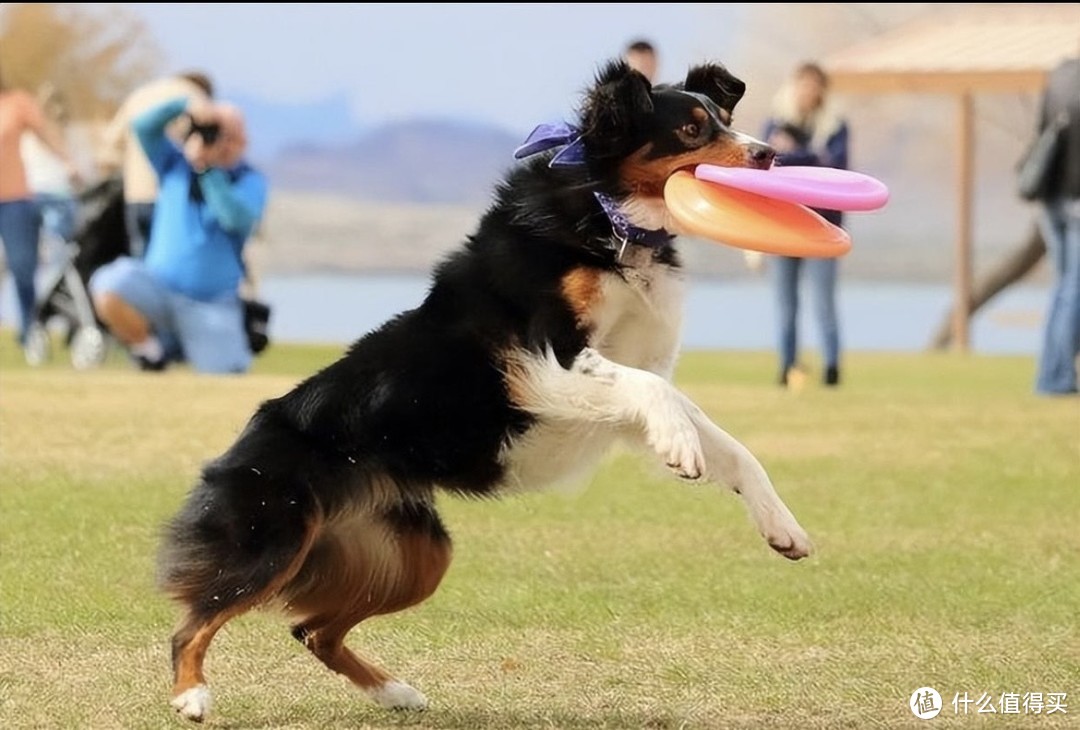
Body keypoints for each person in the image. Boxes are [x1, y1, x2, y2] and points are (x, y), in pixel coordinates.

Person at [89, 95, 268, 374]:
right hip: (157, 289)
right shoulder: (174, 165)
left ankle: (181, 345)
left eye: (230, 136)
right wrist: (185, 106)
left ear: (244, 141)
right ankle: (150, 351)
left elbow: (235, 218)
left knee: (229, 373)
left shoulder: (250, 180)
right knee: (108, 283)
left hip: (210, 304)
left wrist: (208, 170)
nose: (222, 143)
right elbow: (143, 127)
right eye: (217, 133)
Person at [758, 61, 850, 388]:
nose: (808, 92)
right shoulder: (774, 123)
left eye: (814, 86)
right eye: (803, 84)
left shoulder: (836, 126)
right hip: (783, 225)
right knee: (786, 304)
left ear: (822, 91)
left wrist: (797, 153)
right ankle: (786, 366)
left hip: (821, 226)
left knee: (824, 302)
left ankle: (832, 368)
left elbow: (836, 165)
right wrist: (811, 155)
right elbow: (767, 164)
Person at [0, 69, 80, 346]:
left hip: (14, 200)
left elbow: (45, 134)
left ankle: (29, 331)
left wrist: (68, 161)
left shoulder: (17, 103)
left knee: (23, 268)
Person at [98, 71, 214, 258]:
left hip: (135, 194)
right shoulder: (195, 98)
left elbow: (110, 144)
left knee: (141, 265)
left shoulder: (139, 95)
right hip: (173, 198)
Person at [1028, 56, 1080, 396]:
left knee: (1064, 289)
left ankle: (1049, 375)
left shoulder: (1061, 75)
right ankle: (1058, 378)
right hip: (1076, 197)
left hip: (1051, 198)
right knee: (1073, 291)